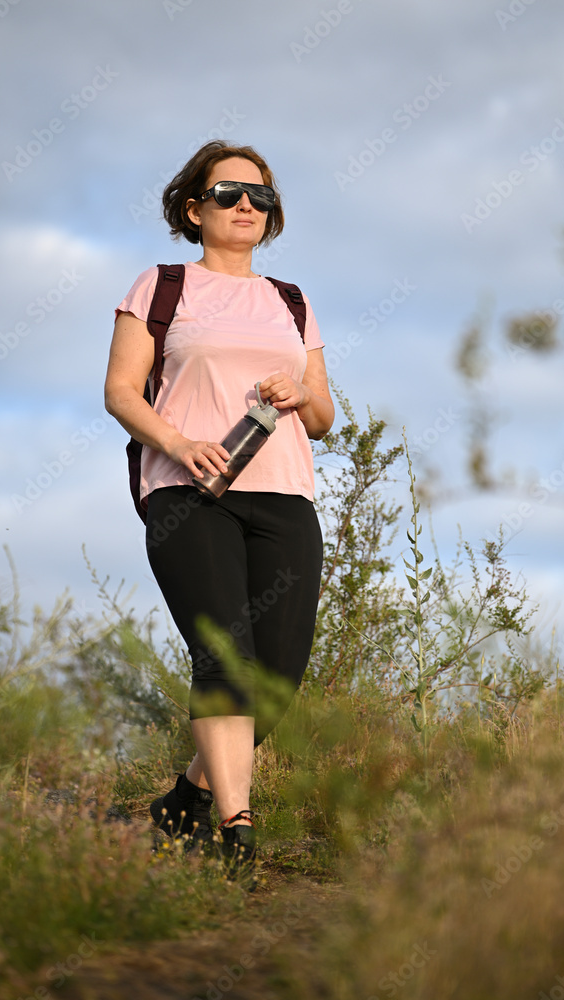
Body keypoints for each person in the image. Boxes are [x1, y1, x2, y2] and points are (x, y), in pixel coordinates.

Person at [104, 140, 334, 881]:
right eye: (228, 193)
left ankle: (185, 799)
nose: (245, 206)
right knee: (225, 657)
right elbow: (120, 392)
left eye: (259, 196)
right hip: (188, 494)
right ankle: (237, 832)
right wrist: (180, 443)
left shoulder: (291, 301)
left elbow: (324, 416)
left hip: (285, 495)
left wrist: (300, 395)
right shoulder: (162, 286)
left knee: (277, 677)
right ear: (193, 208)